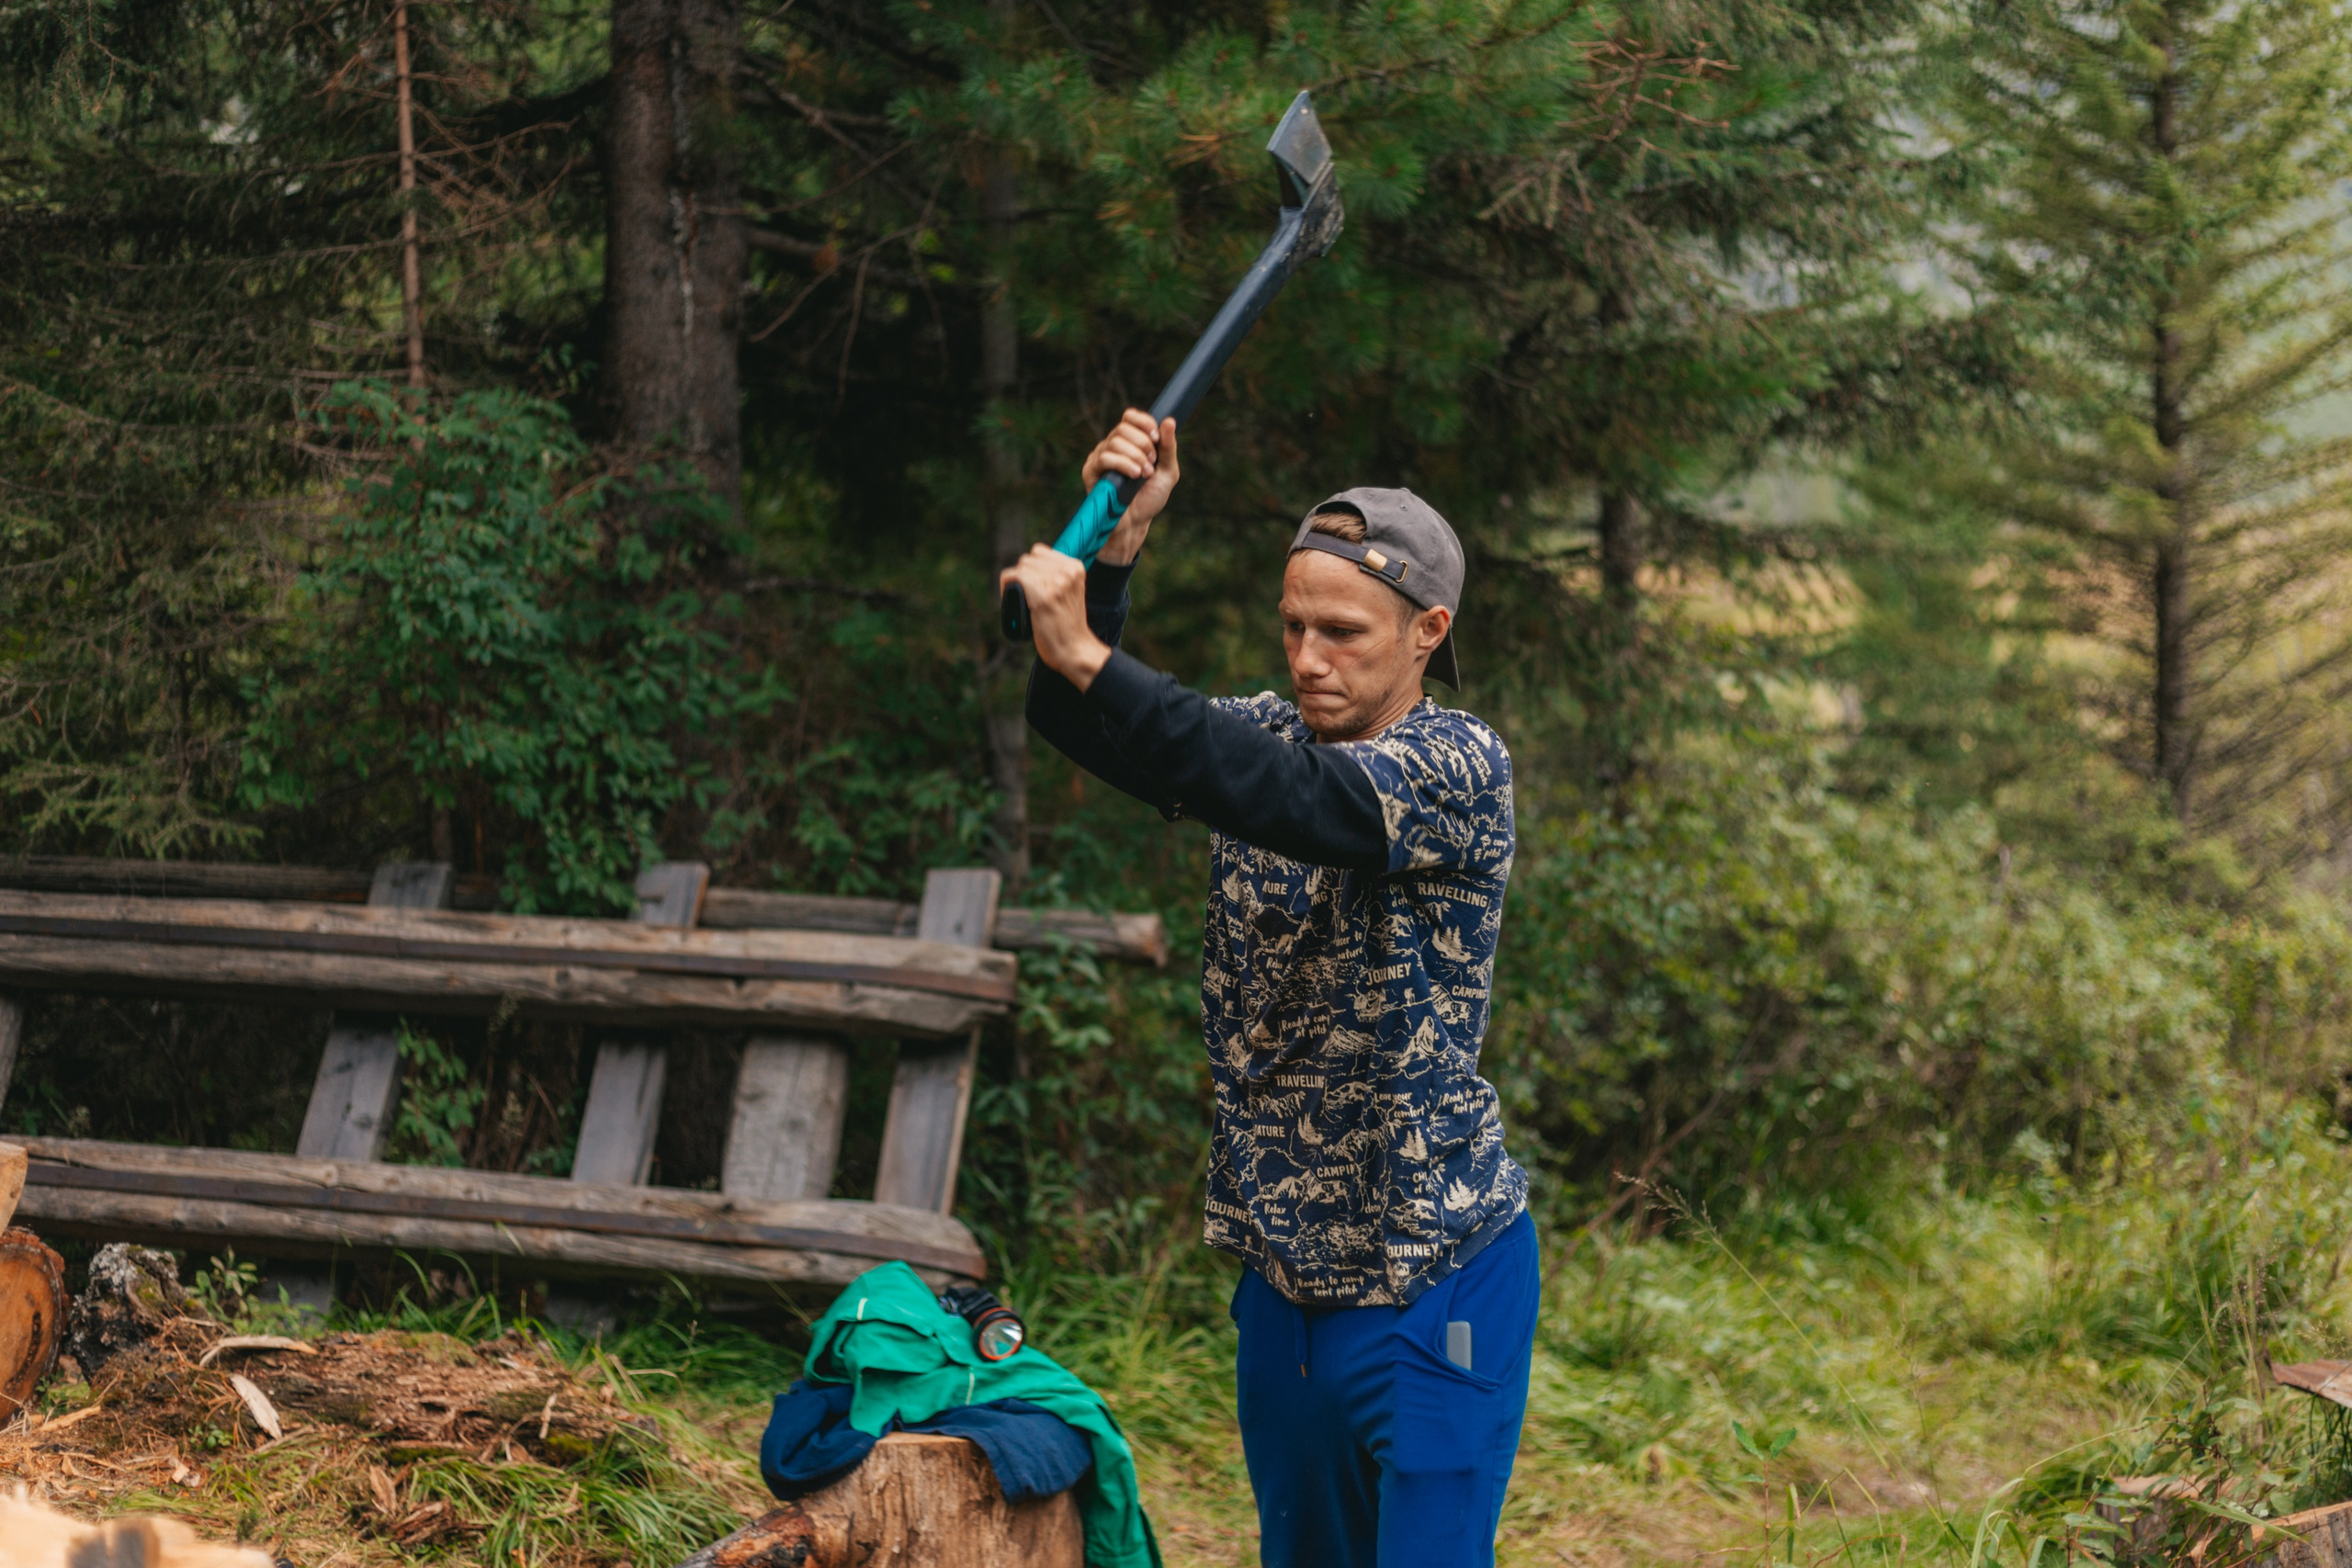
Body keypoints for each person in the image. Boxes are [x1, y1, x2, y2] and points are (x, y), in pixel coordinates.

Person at [1001, 410, 1536, 1568]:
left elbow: (1291, 801)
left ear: (1425, 632)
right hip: (1285, 1282)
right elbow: (1082, 718)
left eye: (1341, 632)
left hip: (1431, 1274)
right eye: (1292, 627)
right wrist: (1114, 554)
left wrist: (1093, 652)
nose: (1306, 659)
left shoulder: (1456, 767)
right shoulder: (1264, 734)